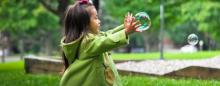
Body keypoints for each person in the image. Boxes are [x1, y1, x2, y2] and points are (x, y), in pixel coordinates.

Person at [60, 0, 140, 86]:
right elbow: (106, 41)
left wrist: (124, 28)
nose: (99, 21)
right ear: (85, 23)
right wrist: (126, 32)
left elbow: (107, 35)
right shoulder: (87, 43)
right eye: (96, 18)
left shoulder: (91, 39)